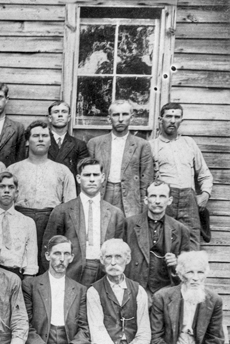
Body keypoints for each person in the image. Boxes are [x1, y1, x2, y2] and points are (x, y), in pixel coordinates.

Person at [43, 158, 125, 286]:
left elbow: (121, 250)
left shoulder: (115, 213)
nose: (92, 179)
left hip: (104, 272)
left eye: (96, 175)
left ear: (103, 178)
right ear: (78, 178)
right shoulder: (62, 211)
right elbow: (48, 246)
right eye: (87, 175)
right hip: (71, 272)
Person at [7, 120, 76, 269]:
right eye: (36, 135)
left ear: (50, 141)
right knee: (20, 263)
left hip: (51, 221)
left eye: (44, 136)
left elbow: (71, 207)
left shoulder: (62, 171)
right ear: (27, 141)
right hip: (20, 219)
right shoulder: (13, 170)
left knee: (48, 263)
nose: (40, 139)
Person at [149, 102, 213, 249]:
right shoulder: (152, 146)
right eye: (169, 116)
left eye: (176, 117)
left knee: (191, 244)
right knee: (164, 244)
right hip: (165, 201)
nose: (172, 120)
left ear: (181, 120)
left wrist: (205, 195)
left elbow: (205, 174)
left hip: (189, 200)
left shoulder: (189, 143)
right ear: (160, 119)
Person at [123, 181, 192, 295]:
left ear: (169, 200)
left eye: (162, 196)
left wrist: (177, 263)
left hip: (166, 291)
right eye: (153, 196)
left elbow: (187, 268)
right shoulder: (129, 225)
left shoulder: (180, 230)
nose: (157, 201)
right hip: (135, 289)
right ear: (146, 200)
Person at [87, 100, 154, 217]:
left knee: (128, 230)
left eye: (125, 114)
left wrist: (144, 207)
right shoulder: (95, 143)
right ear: (109, 118)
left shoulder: (142, 145)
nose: (121, 119)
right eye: (116, 115)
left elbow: (146, 180)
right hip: (103, 192)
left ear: (131, 117)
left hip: (130, 197)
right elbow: (87, 176)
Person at [46, 100, 89, 181]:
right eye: (56, 112)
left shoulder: (79, 145)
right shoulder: (41, 141)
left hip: (69, 189)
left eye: (64, 112)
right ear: (50, 118)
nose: (60, 115)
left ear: (69, 118)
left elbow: (83, 174)